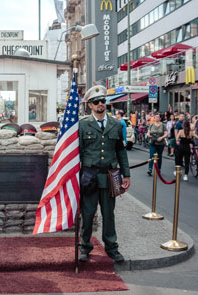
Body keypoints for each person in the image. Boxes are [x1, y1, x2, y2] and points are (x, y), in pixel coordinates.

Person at [78, 85, 130, 263]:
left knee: (109, 214)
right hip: (89, 176)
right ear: (90, 105)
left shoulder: (116, 124)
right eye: (96, 102)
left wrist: (127, 175)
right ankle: (84, 246)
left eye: (103, 101)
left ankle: (112, 247)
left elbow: (121, 151)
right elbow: (77, 151)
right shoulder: (83, 125)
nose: (100, 104)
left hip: (111, 176)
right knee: (88, 213)